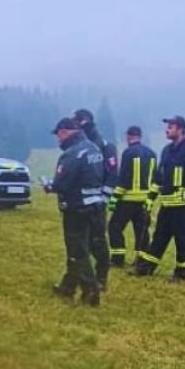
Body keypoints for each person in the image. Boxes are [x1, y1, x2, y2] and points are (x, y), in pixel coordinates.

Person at [131, 116, 185, 282]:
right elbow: (159, 178)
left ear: (181, 129)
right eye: (167, 127)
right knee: (159, 236)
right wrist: (150, 199)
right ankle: (146, 269)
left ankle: (181, 274)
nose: (167, 130)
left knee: (183, 239)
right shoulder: (166, 151)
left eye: (171, 127)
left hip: (183, 206)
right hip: (167, 204)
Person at [43, 118, 105, 306]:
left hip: (76, 207)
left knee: (78, 251)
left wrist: (49, 186)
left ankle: (91, 291)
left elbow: (63, 183)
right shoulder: (94, 148)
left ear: (65, 132)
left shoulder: (71, 154)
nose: (58, 140)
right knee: (82, 247)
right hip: (95, 206)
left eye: (58, 135)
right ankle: (67, 287)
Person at [73, 109, 115, 289]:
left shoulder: (105, 145)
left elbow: (113, 174)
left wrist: (104, 197)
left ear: (84, 122)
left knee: (98, 241)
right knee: (81, 242)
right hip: (80, 202)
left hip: (97, 202)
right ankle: (78, 276)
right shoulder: (80, 145)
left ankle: (101, 278)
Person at [107, 126, 156, 266]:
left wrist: (114, 199)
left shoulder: (128, 153)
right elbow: (155, 177)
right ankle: (141, 259)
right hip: (145, 199)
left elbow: (124, 178)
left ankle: (117, 259)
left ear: (128, 136)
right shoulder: (152, 153)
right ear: (140, 136)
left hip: (127, 199)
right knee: (141, 231)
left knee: (114, 226)